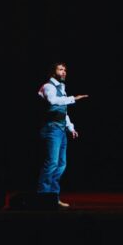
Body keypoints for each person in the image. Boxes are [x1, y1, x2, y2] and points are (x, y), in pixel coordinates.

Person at [37, 62, 88, 208]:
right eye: (60, 69)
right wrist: (74, 98)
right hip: (52, 129)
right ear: (53, 72)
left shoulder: (61, 88)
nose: (64, 72)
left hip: (61, 130)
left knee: (61, 164)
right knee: (52, 163)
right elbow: (53, 101)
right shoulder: (48, 87)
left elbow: (63, 112)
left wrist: (71, 128)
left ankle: (53, 197)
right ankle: (43, 196)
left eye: (65, 70)